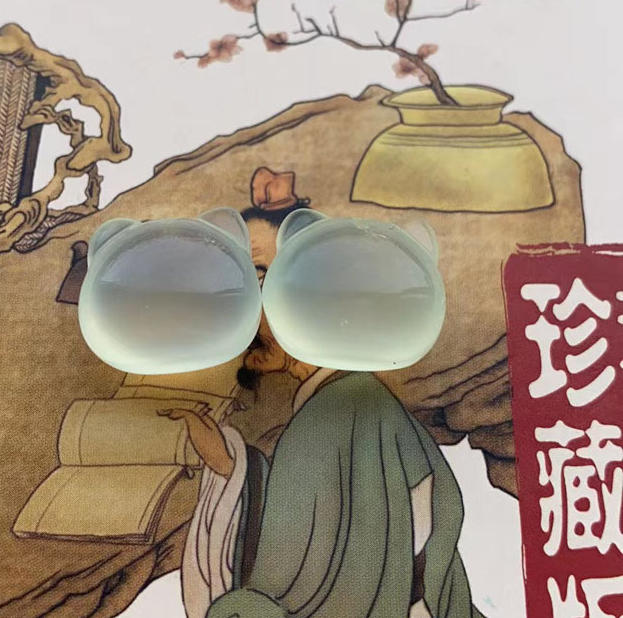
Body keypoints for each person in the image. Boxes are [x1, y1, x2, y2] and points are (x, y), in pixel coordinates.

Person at [159, 168, 485, 618]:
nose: (241, 311)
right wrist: (234, 468)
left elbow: (288, 593)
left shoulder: (330, 420)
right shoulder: (358, 401)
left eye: (259, 278)